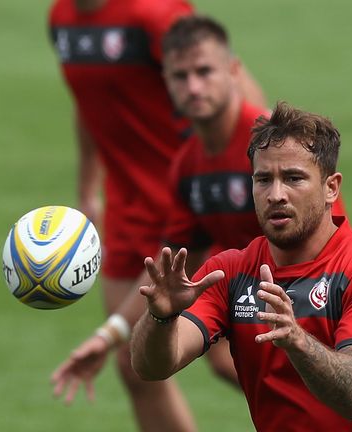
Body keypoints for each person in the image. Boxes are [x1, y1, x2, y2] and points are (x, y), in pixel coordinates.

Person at [131, 102, 352, 431]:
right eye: (263, 179)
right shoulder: (231, 273)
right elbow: (151, 368)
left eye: (293, 178)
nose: (275, 194)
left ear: (331, 188)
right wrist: (160, 318)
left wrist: (297, 340)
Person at [47, 4, 266, 430]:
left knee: (233, 358)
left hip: (198, 198)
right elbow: (91, 102)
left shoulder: (154, 13)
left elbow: (220, 74)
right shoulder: (61, 19)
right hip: (133, 210)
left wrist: (258, 161)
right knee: (137, 363)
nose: (192, 85)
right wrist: (86, 189)